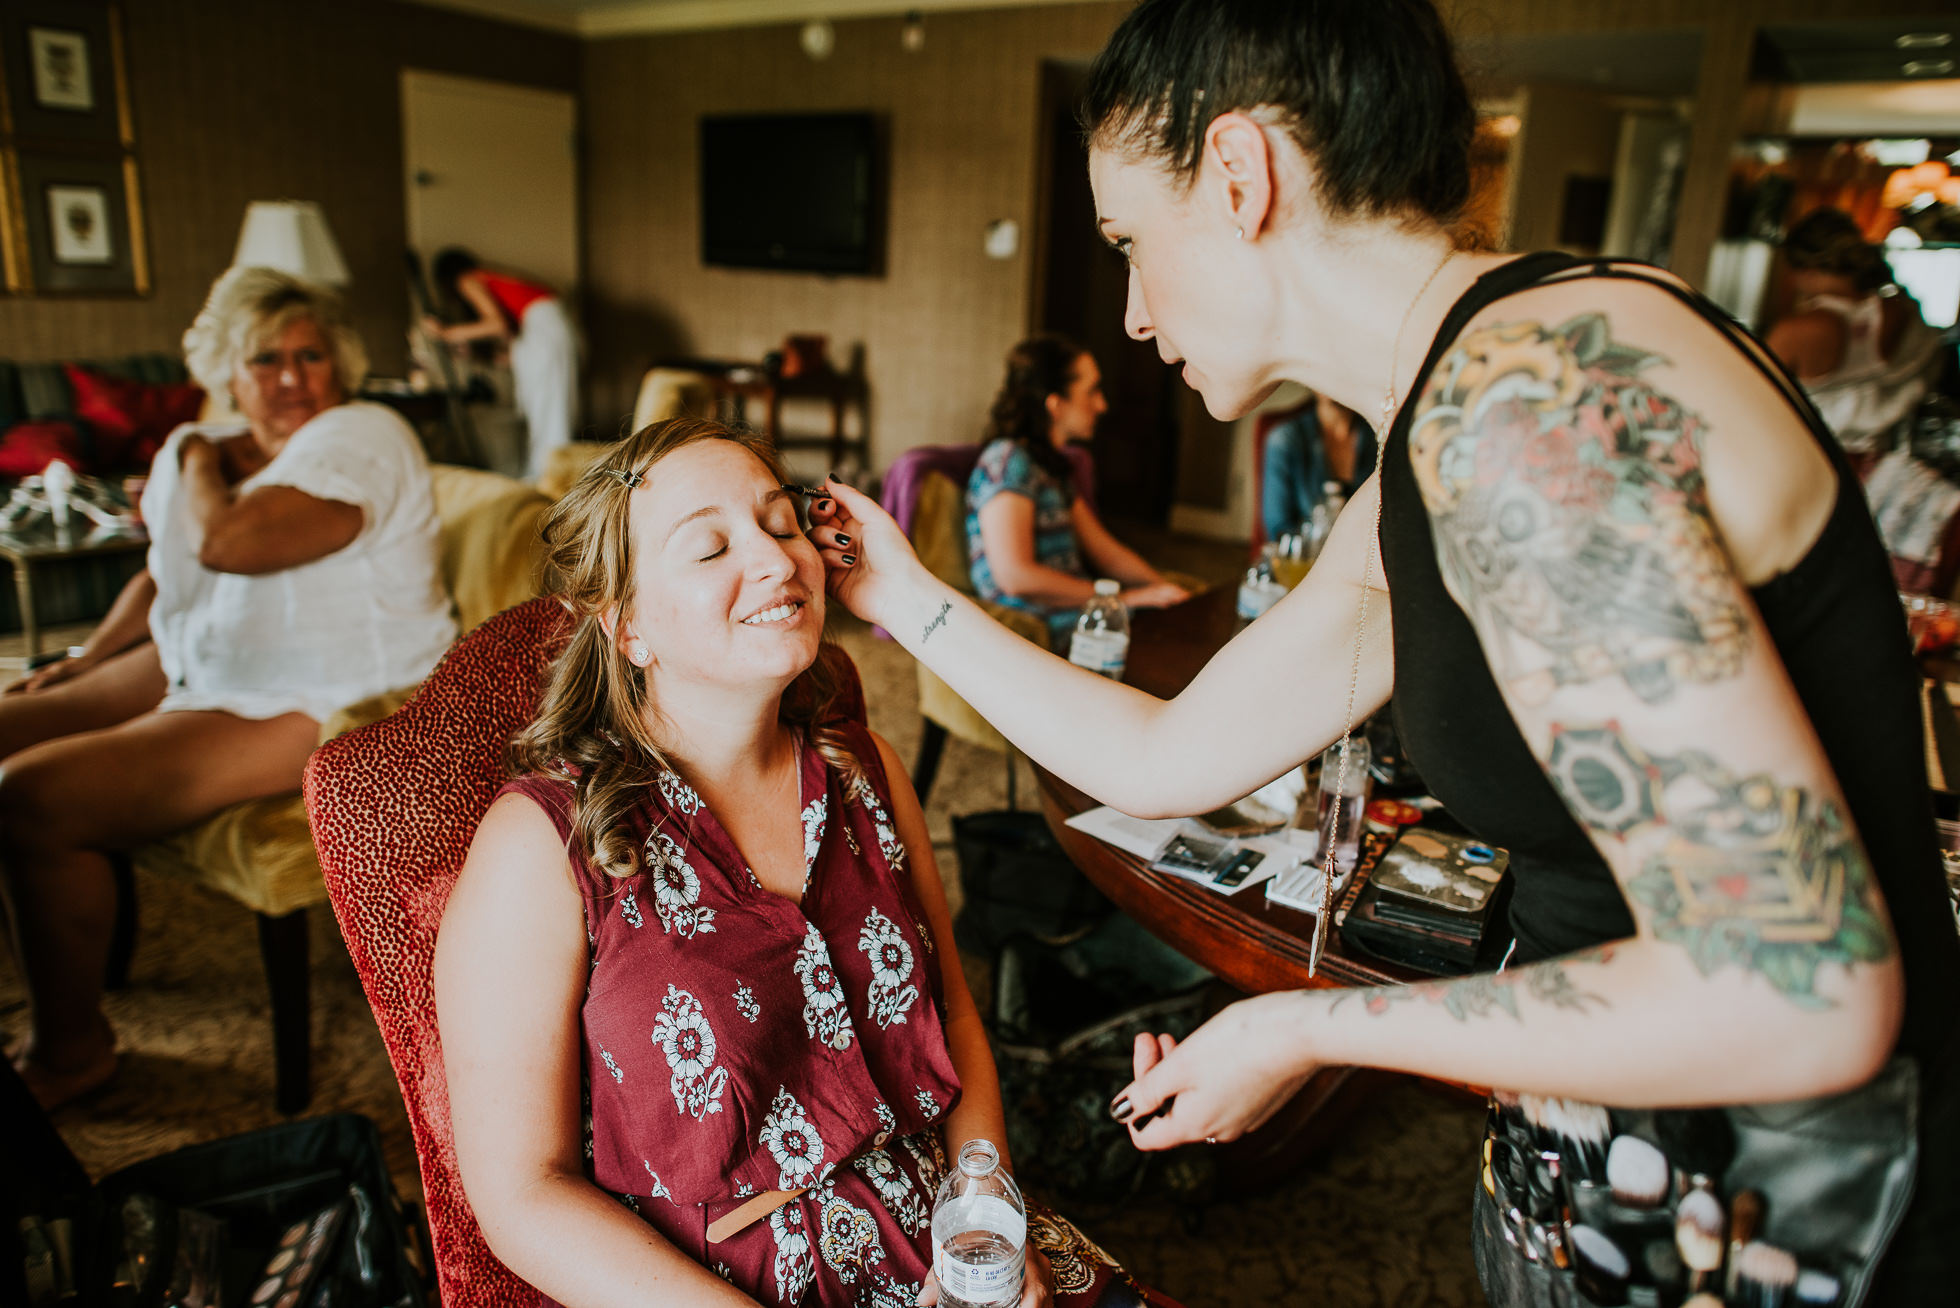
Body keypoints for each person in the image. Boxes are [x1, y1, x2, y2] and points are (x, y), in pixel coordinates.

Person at [806, 1, 1959, 1301]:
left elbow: (1801, 986)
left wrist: (1308, 1023)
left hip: (1785, 1211)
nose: (1130, 313)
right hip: (1615, 1154)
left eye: (1131, 240)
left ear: (1239, 176)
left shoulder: (1528, 412)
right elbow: (1172, 755)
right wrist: (898, 597)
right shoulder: (1464, 406)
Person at [433, 417, 1156, 1308]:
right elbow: (520, 1194)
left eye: (782, 525)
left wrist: (983, 1234)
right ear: (626, 629)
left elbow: (957, 1018)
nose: (777, 562)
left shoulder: (868, 773)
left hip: (949, 1236)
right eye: (710, 548)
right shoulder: (542, 845)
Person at [1, 266, 457, 1107]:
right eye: (266, 360)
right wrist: (92, 657)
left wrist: (201, 458)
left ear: (342, 365)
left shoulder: (362, 432)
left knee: (32, 795)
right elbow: (164, 573)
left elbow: (228, 544)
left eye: (311, 355)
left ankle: (70, 1048)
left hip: (329, 689)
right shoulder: (206, 448)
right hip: (207, 652)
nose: (292, 378)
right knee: (9, 721)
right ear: (228, 372)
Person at [967, 335, 1189, 648]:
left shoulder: (1051, 466)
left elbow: (1105, 551)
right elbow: (1016, 577)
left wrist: (1162, 586)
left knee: (1180, 618)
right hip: (1039, 624)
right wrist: (1123, 597)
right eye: (1092, 391)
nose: (1102, 404)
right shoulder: (1008, 462)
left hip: (1078, 610)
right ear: (1055, 405)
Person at [1765, 207, 1944, 455]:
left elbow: (1756, 404)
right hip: (1878, 462)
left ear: (1804, 270)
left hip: (1808, 460)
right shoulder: (1900, 311)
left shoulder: (1798, 329)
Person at [425, 247, 581, 481]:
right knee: (545, 411)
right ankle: (546, 474)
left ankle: (550, 476)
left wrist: (446, 333)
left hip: (545, 332)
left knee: (549, 412)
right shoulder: (492, 280)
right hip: (545, 332)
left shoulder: (469, 279)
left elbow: (496, 324)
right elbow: (506, 339)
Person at [1259, 392, 1375, 543]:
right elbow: (1279, 530)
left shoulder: (1380, 439)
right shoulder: (1285, 440)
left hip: (1365, 559)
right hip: (1304, 561)